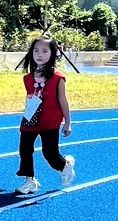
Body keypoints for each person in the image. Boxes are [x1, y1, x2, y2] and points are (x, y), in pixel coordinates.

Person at [15, 34, 75, 194]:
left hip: (50, 121)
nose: (39, 54)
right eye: (36, 51)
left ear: (53, 53)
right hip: (31, 121)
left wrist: (68, 122)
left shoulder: (57, 78)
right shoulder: (27, 78)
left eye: (44, 51)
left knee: (50, 154)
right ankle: (30, 180)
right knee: (25, 149)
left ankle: (65, 166)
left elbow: (62, 100)